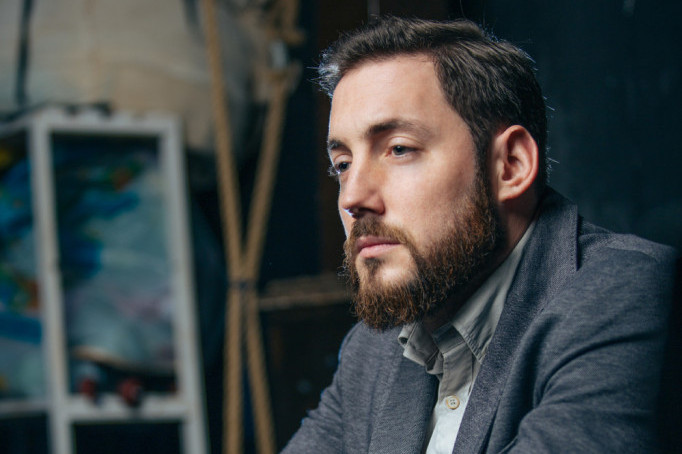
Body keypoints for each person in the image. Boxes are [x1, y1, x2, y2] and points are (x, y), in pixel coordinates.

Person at [281, 16, 678, 453]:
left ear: (511, 165)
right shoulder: (372, 352)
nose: (352, 197)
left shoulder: (626, 295)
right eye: (342, 164)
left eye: (399, 149)